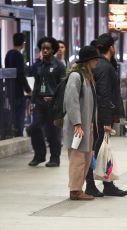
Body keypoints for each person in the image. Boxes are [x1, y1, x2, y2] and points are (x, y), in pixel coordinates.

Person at [86, 33, 127, 197]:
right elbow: (103, 94)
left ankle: (108, 184)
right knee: (96, 150)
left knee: (102, 150)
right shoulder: (104, 67)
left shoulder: (103, 65)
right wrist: (106, 120)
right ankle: (91, 185)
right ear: (111, 47)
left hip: (98, 115)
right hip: (100, 116)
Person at [63, 45, 99, 200]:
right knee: (77, 159)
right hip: (77, 127)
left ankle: (79, 188)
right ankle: (75, 191)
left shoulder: (87, 76)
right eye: (95, 59)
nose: (97, 62)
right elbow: (71, 101)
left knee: (85, 158)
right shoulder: (76, 76)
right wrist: (77, 123)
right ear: (88, 60)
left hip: (86, 125)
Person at [27, 37, 66, 167]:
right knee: (34, 128)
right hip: (39, 101)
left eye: (47, 48)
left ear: (52, 50)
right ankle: (39, 155)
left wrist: (54, 98)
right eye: (43, 48)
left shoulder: (59, 66)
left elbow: (62, 87)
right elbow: (36, 85)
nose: (44, 50)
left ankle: (55, 158)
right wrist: (31, 102)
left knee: (52, 133)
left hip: (53, 103)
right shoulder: (37, 66)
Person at [5, 32, 32, 137]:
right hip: (18, 90)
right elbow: (20, 74)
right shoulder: (19, 56)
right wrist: (28, 89)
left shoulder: (8, 54)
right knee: (20, 115)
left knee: (13, 113)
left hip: (10, 89)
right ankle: (19, 134)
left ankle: (13, 132)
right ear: (22, 43)